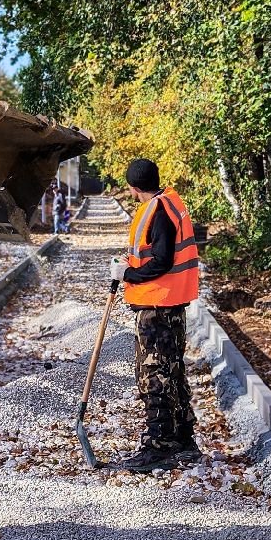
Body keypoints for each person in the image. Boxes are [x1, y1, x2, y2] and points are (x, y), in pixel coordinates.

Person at [107, 157, 205, 472]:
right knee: (173, 373)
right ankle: (183, 441)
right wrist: (127, 265)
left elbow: (161, 261)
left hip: (157, 308)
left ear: (134, 188)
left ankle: (160, 445)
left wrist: (127, 275)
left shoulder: (158, 211)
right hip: (170, 305)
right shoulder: (170, 204)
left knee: (154, 378)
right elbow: (152, 254)